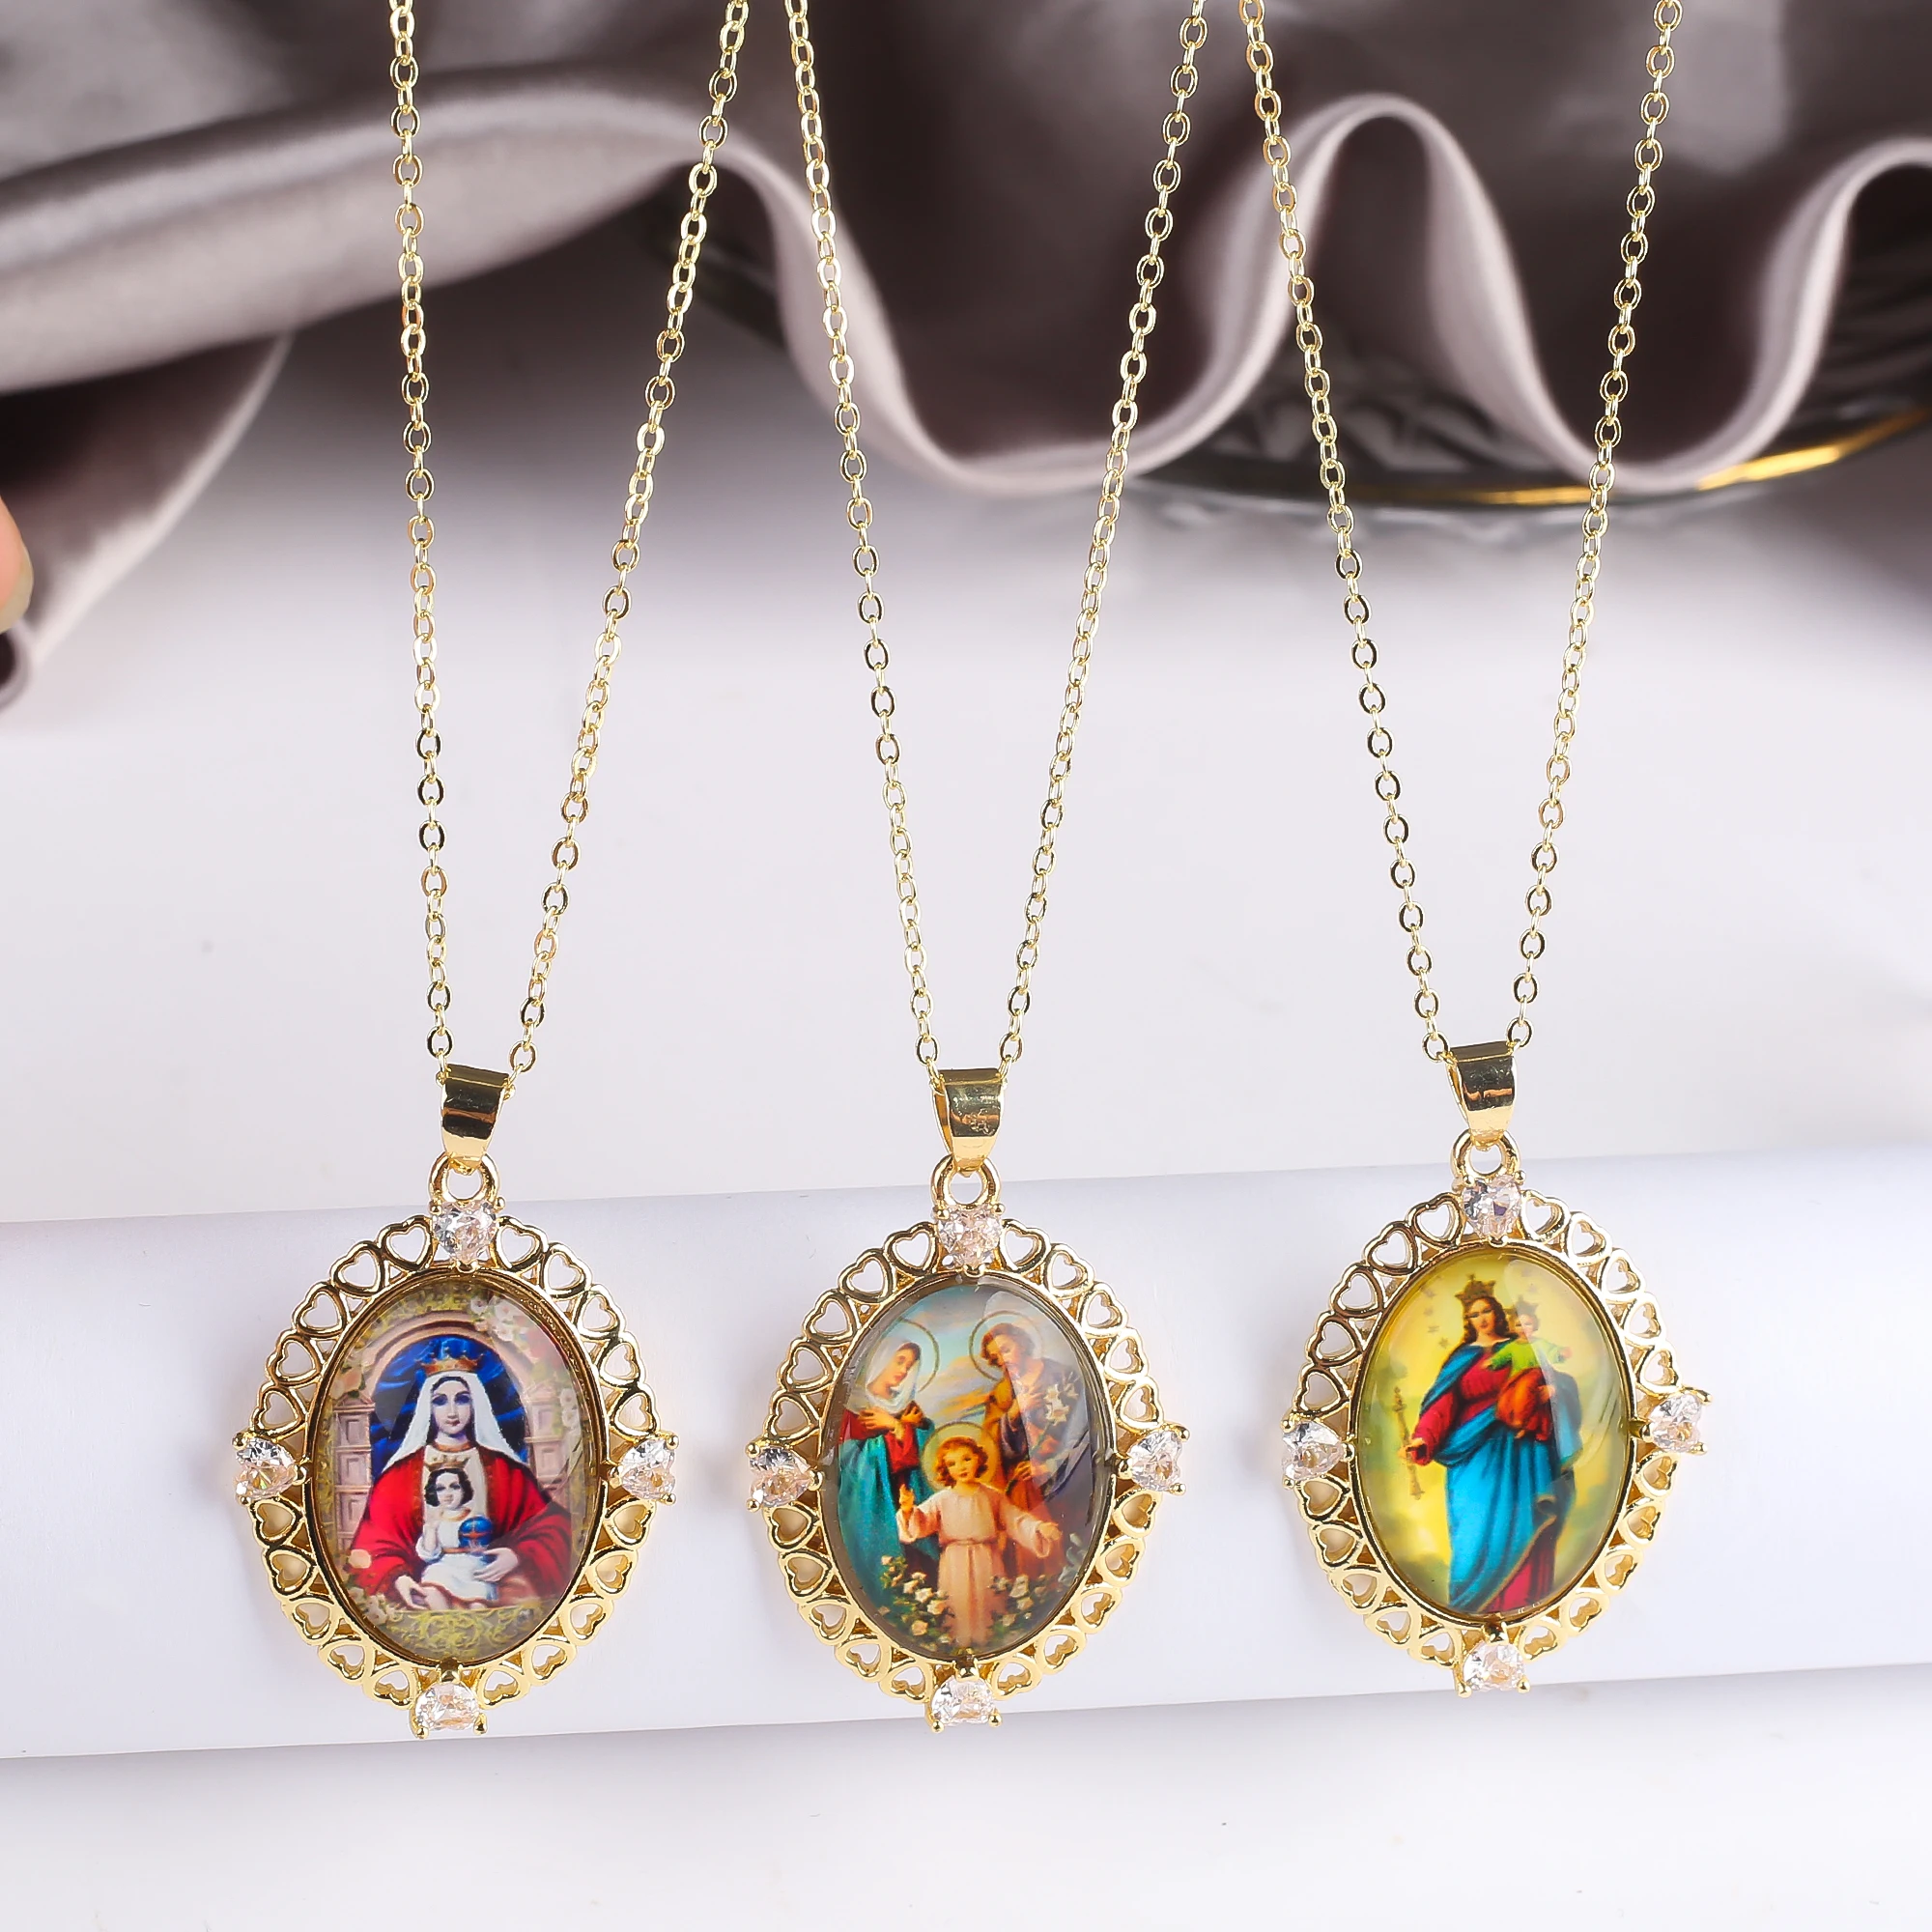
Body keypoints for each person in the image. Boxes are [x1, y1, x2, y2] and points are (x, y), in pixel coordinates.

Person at [347, 1341, 573, 1608]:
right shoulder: (402, 1474)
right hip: (431, 1582)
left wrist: (517, 1555)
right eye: (440, 1401)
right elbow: (375, 1541)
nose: (452, 1412)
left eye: (462, 1399)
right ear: (429, 1408)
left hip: (490, 1581)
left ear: (475, 1404)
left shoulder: (503, 1469)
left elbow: (552, 1526)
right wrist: (399, 1579)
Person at [1403, 1282, 1580, 1616]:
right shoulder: (1463, 1358)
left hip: (1524, 1453)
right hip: (1475, 1453)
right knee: (1474, 1532)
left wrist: (1553, 1390)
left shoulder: (1521, 1346)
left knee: (1529, 1518)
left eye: (1486, 1311)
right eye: (1474, 1314)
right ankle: (1469, 1610)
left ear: (1497, 1313)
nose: (1482, 1318)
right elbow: (1442, 1404)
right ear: (1467, 1320)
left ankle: (1523, 1607)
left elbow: (1555, 1379)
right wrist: (1424, 1437)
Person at [895, 1432, 1061, 1651]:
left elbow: (1015, 1519)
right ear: (945, 1469)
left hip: (987, 1558)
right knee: (958, 1604)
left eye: (966, 1459)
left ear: (978, 1459)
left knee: (989, 1601)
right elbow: (921, 1522)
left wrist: (1040, 1528)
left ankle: (991, 1647)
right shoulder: (942, 1499)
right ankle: (959, 1647)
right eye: (952, 1463)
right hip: (955, 1561)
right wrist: (908, 1510)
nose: (961, 1467)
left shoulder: (992, 1496)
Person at [979, 1320, 1092, 1576]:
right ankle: (1037, 1578)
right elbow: (991, 1443)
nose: (1003, 1360)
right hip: (1025, 1474)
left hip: (1068, 1469)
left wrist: (1050, 1465)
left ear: (1021, 1342)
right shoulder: (1001, 1393)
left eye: (1006, 1350)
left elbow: (1082, 1430)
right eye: (996, 1358)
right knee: (1023, 1503)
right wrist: (1013, 1414)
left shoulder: (1063, 1376)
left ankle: (1063, 1573)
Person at [836, 1336, 936, 1592]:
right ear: (881, 1359)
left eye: (910, 1366)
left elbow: (928, 1451)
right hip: (872, 1502)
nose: (904, 1371)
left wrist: (899, 1426)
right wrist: (900, 1431)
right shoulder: (851, 1405)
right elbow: (848, 1460)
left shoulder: (907, 1406)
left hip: (907, 1495)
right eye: (899, 1361)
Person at [412, 1466, 500, 1606]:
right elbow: (429, 1554)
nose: (448, 1494)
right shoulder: (434, 1522)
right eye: (441, 1489)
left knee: (478, 1600)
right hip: (444, 1566)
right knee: (432, 1586)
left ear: (464, 1489)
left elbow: (488, 1546)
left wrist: (480, 1550)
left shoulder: (476, 1520)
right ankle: (443, 1618)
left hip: (472, 1566)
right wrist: (431, 1530)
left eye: (454, 1487)